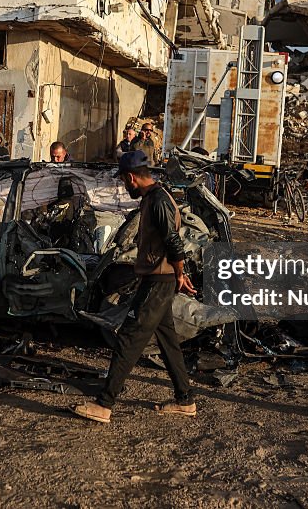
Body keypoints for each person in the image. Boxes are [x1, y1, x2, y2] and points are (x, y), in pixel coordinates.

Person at [72, 151, 196, 424]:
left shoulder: (157, 201)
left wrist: (179, 274)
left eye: (124, 182)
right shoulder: (154, 198)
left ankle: (104, 405)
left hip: (158, 281)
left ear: (131, 177)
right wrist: (177, 274)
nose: (125, 187)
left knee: (129, 337)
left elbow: (174, 243)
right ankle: (185, 400)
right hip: (157, 279)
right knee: (167, 340)